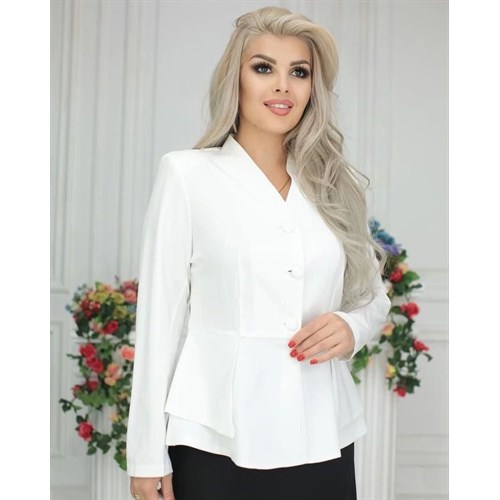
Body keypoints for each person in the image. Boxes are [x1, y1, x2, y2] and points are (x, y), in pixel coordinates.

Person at [126, 6, 391, 500]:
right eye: (264, 68)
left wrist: (352, 326)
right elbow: (159, 321)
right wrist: (145, 455)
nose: (282, 86)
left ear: (313, 89)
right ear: (236, 78)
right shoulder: (187, 175)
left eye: (299, 72)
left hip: (323, 433)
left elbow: (372, 297)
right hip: (214, 436)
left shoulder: (335, 186)